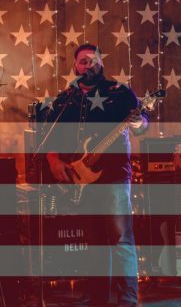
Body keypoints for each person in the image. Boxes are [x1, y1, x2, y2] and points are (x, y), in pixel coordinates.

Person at [41, 44, 148, 306]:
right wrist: (54, 160)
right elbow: (50, 137)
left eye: (93, 60)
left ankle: (128, 299)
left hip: (113, 177)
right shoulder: (66, 99)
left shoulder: (119, 92)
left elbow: (142, 123)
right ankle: (97, 297)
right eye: (83, 62)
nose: (89, 65)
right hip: (82, 179)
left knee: (121, 238)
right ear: (75, 67)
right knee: (94, 242)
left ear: (101, 63)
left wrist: (140, 122)